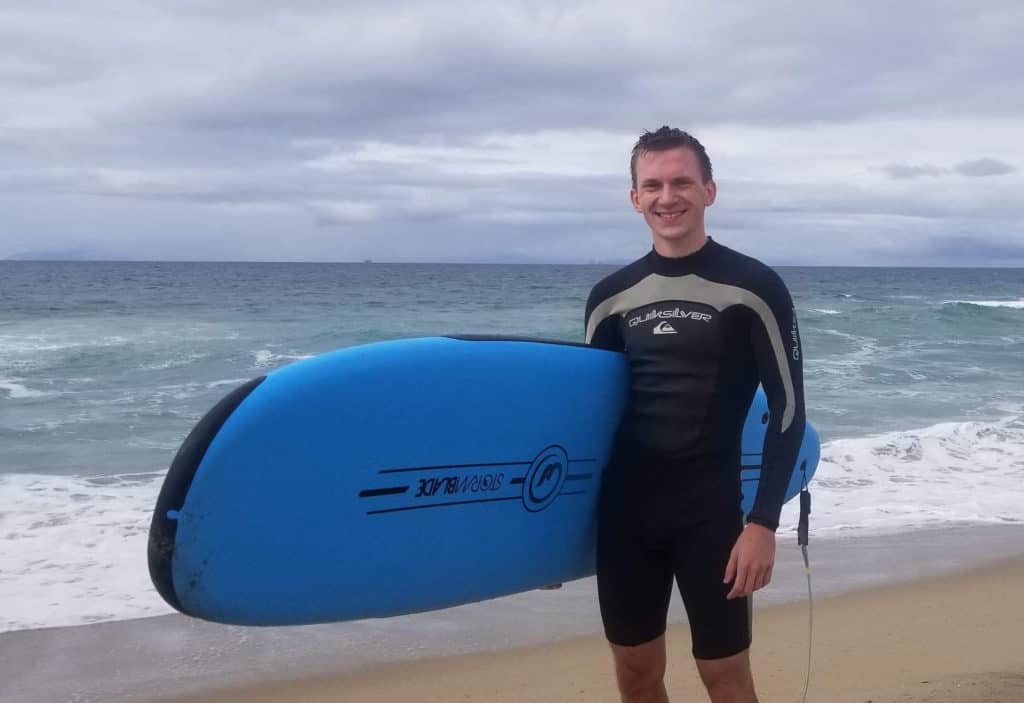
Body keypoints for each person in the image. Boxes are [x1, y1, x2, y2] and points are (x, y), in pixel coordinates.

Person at [584, 126, 806, 703]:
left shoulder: (754, 287)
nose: (667, 196)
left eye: (682, 181)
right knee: (636, 676)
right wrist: (545, 528)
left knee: (725, 679)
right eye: (652, 185)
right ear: (634, 198)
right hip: (624, 521)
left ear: (709, 190)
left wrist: (762, 524)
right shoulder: (610, 296)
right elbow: (588, 419)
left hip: (711, 518)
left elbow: (787, 408)